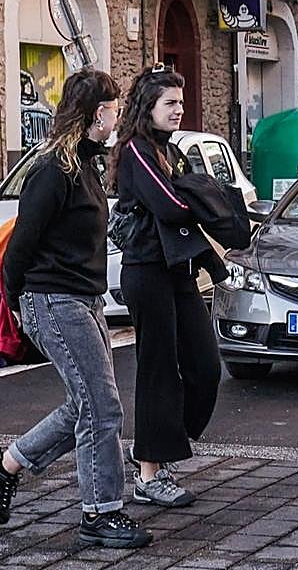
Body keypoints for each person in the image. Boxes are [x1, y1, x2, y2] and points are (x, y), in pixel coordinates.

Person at [0, 68, 152, 550]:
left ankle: (3, 466)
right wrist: (17, 306)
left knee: (86, 404)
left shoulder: (86, 164)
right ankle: (101, 512)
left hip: (84, 299)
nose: (118, 116)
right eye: (113, 108)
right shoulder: (53, 170)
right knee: (102, 407)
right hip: (54, 299)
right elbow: (20, 247)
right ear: (96, 114)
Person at [109, 67, 223, 508]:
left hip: (178, 270)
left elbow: (188, 202)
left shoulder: (170, 151)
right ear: (148, 107)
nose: (179, 110)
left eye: (180, 102)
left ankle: (162, 443)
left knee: (205, 366)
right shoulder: (137, 150)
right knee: (157, 369)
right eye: (170, 103)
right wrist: (207, 200)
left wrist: (203, 202)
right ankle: (149, 472)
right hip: (147, 271)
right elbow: (173, 206)